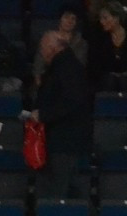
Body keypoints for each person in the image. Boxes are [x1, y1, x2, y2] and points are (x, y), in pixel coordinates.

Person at [32, 30, 92, 198]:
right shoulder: (67, 66)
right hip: (66, 140)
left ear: (53, 48)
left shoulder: (66, 68)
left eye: (43, 47)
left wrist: (43, 114)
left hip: (64, 140)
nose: (41, 52)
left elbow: (70, 102)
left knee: (58, 190)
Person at [88, 1, 127, 91]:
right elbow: (95, 64)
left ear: (116, 18)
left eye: (105, 18)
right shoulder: (99, 38)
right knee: (110, 81)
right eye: (101, 19)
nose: (102, 22)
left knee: (125, 81)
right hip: (107, 78)